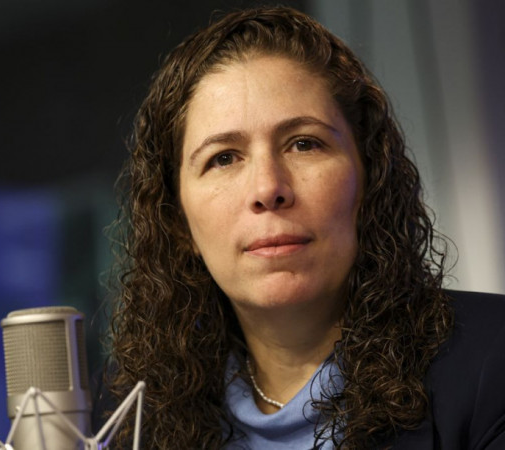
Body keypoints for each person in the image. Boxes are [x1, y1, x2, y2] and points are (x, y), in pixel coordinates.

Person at [91, 6, 505, 449]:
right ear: (178, 221)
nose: (268, 188)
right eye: (224, 158)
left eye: (304, 144)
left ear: (370, 179)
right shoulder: (116, 416)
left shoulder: (494, 361)